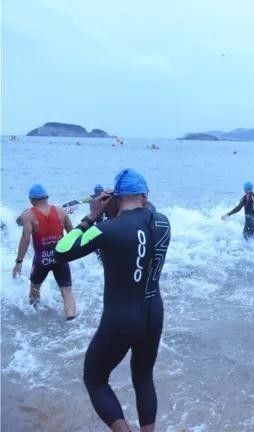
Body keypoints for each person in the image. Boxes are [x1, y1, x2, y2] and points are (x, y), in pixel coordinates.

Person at [55, 168, 171, 432]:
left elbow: (61, 251)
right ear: (144, 194)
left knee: (95, 379)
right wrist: (121, 202)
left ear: (114, 198)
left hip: (121, 316)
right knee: (143, 377)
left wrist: (92, 216)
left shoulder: (106, 229)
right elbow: (144, 212)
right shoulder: (163, 222)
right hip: (153, 312)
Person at [13, 184, 77, 320]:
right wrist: (72, 254)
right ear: (47, 198)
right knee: (67, 291)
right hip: (61, 257)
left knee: (34, 290)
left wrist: (19, 262)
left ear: (32, 200)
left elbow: (25, 239)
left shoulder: (28, 216)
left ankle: (36, 322)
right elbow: (73, 234)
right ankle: (72, 321)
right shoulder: (61, 212)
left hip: (41, 260)